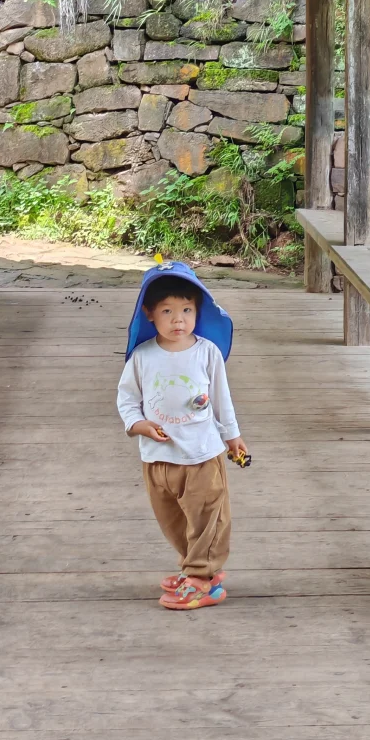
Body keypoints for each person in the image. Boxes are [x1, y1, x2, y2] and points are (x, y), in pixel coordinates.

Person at [116, 260, 248, 611]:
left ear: (198, 311)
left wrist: (232, 436)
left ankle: (202, 579)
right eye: (168, 311)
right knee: (172, 519)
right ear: (149, 314)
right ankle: (194, 566)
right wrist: (138, 424)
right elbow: (127, 398)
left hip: (202, 454)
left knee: (207, 516)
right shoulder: (142, 357)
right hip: (158, 457)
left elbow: (222, 398)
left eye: (187, 310)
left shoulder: (206, 352)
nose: (179, 320)